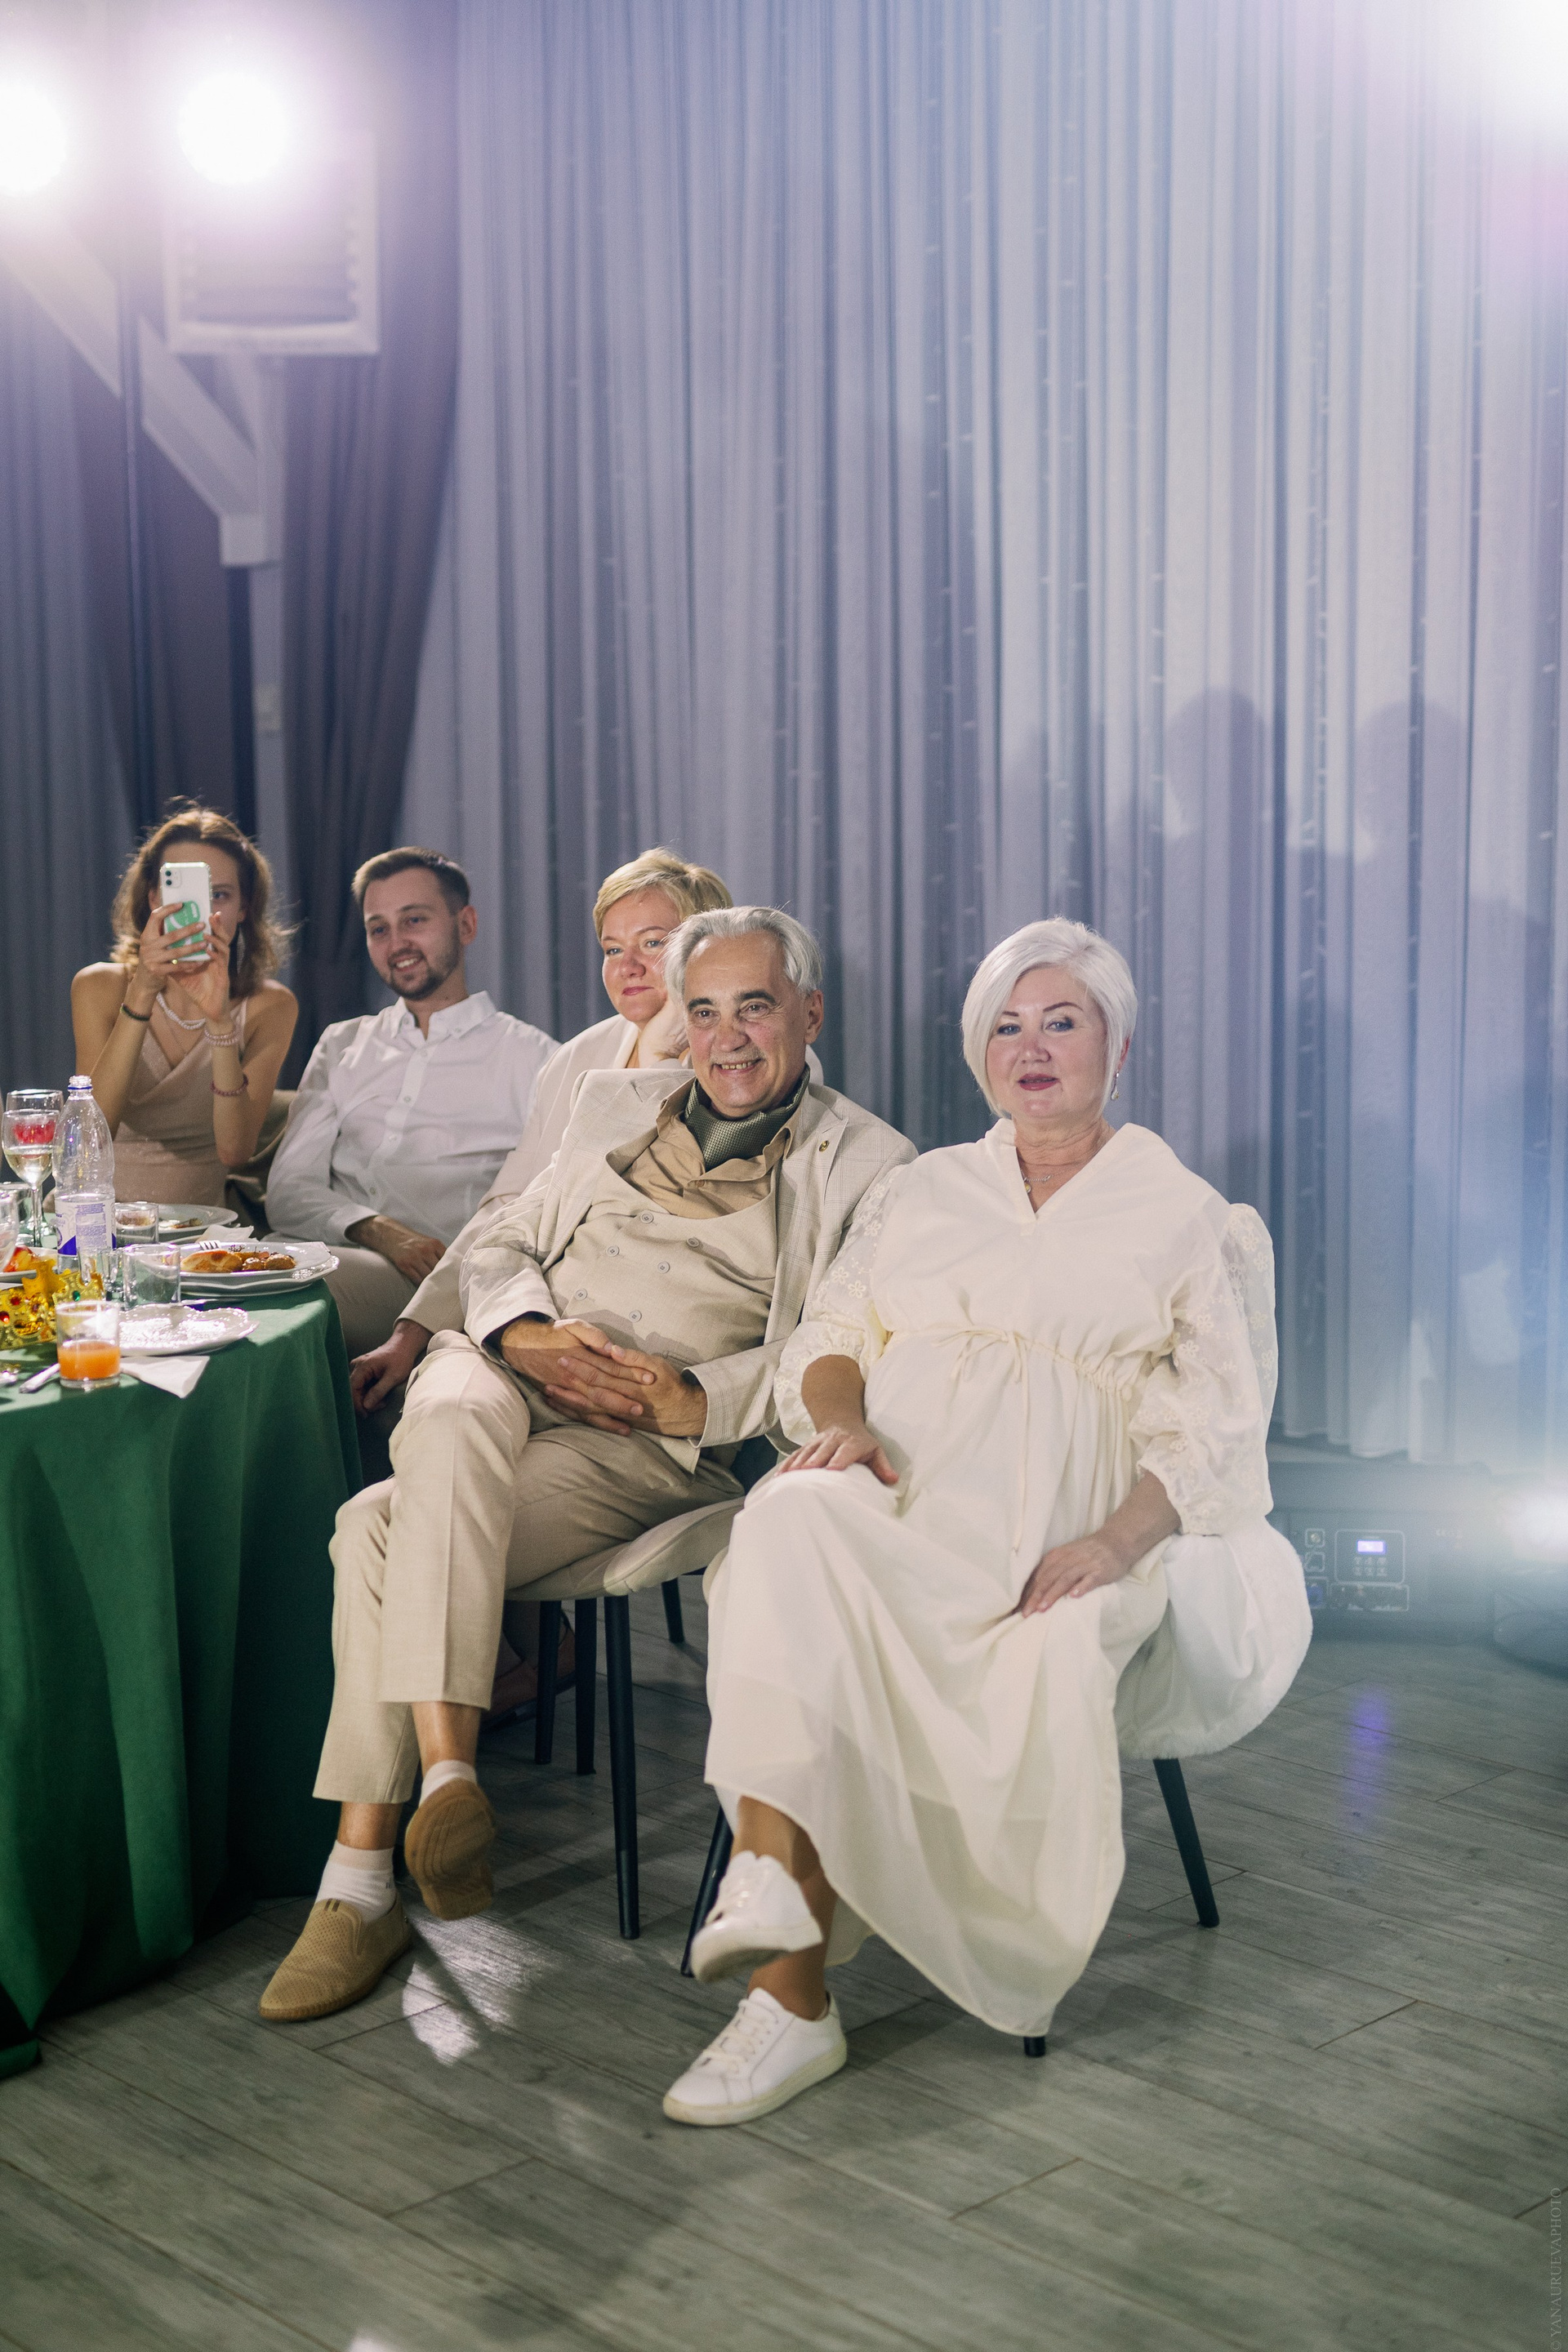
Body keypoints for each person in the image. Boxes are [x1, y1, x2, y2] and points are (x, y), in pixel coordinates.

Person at [662, 916, 1312, 2128]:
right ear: (979, 1053)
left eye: (1062, 1022)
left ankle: (791, 1980)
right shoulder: (924, 1189)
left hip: (1053, 1526)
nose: (1033, 1048)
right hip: (899, 1487)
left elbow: (1216, 1431)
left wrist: (1116, 1544)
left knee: (972, 1628)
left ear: (1118, 1044)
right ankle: (778, 1935)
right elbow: (828, 1344)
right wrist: (843, 1424)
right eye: (1007, 1027)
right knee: (789, 1515)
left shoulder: (1185, 1214)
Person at [258, 906, 915, 2025]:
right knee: (450, 1407)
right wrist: (523, 1333)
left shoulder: (871, 1162)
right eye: (703, 1011)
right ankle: (448, 1777)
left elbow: (836, 1343)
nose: (726, 1038)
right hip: (505, 1369)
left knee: (373, 1527)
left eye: (755, 1007)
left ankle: (360, 1878)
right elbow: (504, 1236)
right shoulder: (612, 1101)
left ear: (810, 1012)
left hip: (644, 1443)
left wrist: (690, 1396)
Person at [347, 847, 733, 1420]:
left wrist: (663, 1048)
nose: (626, 966)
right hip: (530, 1320)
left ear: (708, 949)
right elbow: (504, 1208)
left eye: (653, 943)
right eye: (612, 949)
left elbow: (665, 1223)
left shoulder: (751, 1066)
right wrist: (411, 1333)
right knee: (440, 1417)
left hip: (650, 1348)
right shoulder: (577, 1058)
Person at [265, 849, 557, 1356]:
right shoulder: (342, 1044)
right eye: (378, 928)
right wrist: (378, 1231)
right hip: (325, 1253)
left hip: (438, 1284)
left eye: (414, 920)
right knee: (215, 1270)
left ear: (466, 925)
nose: (397, 943)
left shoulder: (536, 1059)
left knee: (280, 1291)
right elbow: (288, 1192)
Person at [70, 808, 298, 1209]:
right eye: (183, 893)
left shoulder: (271, 1005)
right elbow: (91, 1138)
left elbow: (235, 1151)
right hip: (95, 1221)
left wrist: (220, 1021)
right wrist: (142, 992)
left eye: (220, 895)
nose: (201, 912)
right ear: (154, 898)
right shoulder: (98, 986)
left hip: (205, 1233)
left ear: (244, 907)